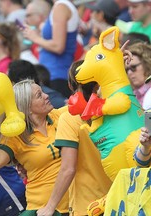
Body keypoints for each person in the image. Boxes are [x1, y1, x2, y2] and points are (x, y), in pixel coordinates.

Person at [0, 79, 69, 215]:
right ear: (26, 107)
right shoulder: (16, 136)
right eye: (39, 95)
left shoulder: (60, 116)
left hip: (76, 203)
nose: (46, 96)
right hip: (43, 209)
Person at [36, 60, 112, 216]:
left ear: (70, 86)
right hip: (118, 201)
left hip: (87, 206)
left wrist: (50, 207)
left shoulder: (69, 118)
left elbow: (68, 168)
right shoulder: (112, 109)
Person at [22, 0, 80, 98]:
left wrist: (35, 37)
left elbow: (58, 46)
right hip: (52, 75)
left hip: (57, 75)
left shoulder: (61, 6)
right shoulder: (59, 6)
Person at [125, 42, 151, 110]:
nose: (129, 72)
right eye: (127, 69)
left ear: (147, 64)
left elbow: (148, 121)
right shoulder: (130, 96)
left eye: (133, 67)